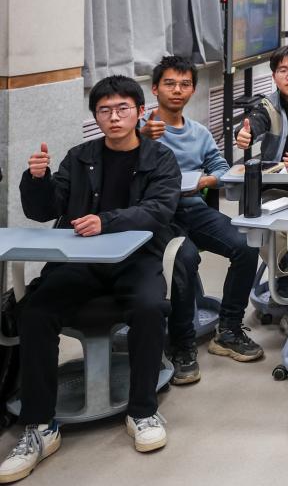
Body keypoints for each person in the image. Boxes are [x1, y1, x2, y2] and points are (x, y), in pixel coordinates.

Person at [5, 77, 180, 478]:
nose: (114, 117)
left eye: (122, 109)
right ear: (96, 117)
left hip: (136, 260)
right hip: (79, 262)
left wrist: (106, 221)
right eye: (105, 110)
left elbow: (159, 210)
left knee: (150, 307)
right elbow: (44, 210)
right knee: (35, 311)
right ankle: (39, 426)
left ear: (140, 111)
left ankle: (143, 411)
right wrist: (37, 181)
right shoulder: (79, 157)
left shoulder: (160, 158)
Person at [142, 56, 263, 387]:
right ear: (155, 89)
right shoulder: (143, 129)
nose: (177, 90)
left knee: (246, 243)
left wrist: (206, 181)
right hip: (156, 215)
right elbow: (126, 163)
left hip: (192, 207)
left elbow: (221, 167)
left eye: (184, 84)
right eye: (169, 83)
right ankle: (182, 345)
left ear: (192, 90)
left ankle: (229, 329)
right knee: (185, 258)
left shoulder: (198, 133)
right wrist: (143, 138)